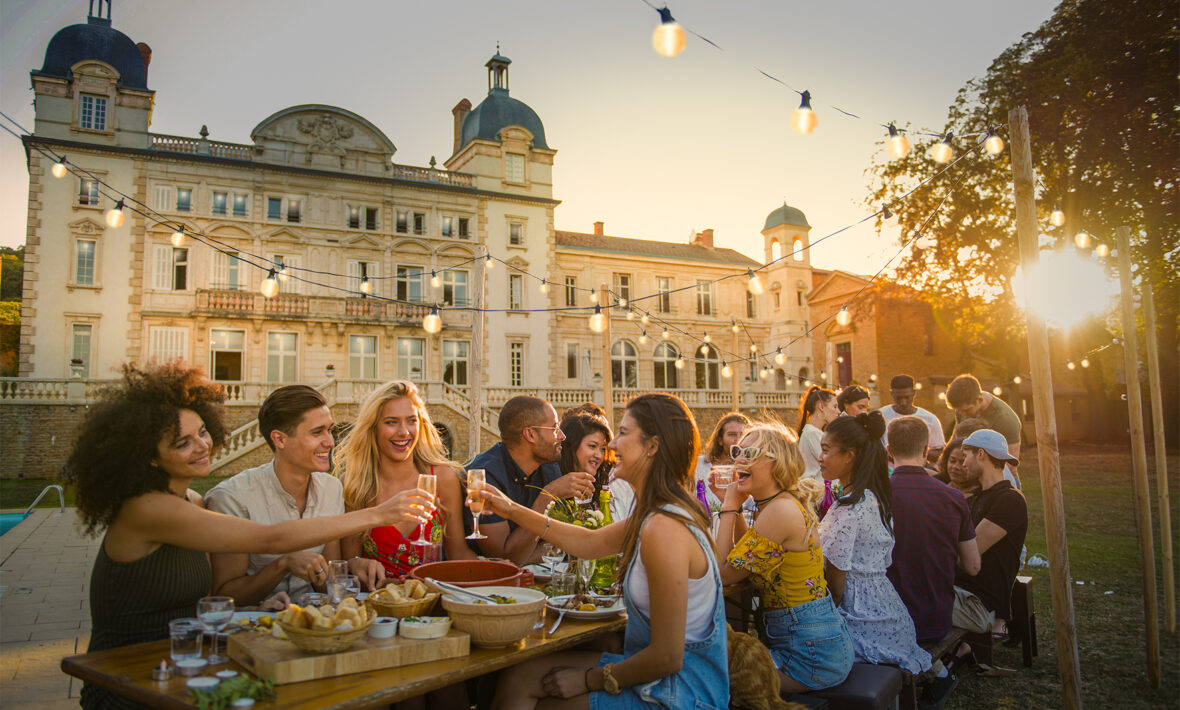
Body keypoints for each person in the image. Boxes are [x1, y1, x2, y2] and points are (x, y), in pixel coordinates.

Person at [68, 363, 430, 710]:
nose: (201, 446)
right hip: (127, 678)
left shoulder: (193, 501)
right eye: (183, 442)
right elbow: (269, 540)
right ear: (147, 457)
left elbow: (214, 599)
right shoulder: (146, 509)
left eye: (203, 433)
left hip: (187, 665)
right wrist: (379, 513)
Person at [481, 393, 729, 710]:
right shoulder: (656, 513)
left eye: (623, 433)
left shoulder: (664, 529)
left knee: (543, 700)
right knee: (519, 675)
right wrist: (510, 508)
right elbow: (587, 541)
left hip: (679, 694)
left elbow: (667, 657)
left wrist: (588, 680)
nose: (611, 446)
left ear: (652, 446)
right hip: (660, 676)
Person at [205, 386, 382, 603]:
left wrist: (355, 565)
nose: (330, 442)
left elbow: (328, 580)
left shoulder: (331, 488)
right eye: (317, 432)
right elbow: (225, 595)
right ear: (279, 439)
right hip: (254, 627)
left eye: (329, 430)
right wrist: (282, 565)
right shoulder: (232, 498)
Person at [714, 423, 853, 693]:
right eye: (738, 451)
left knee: (710, 678)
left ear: (778, 464)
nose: (740, 459)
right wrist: (737, 508)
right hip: (810, 644)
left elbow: (722, 575)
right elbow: (747, 554)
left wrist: (729, 507)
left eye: (751, 453)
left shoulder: (781, 511)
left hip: (811, 657)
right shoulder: (778, 505)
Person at [818, 412, 932, 675]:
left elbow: (835, 592)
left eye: (826, 450)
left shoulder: (850, 509)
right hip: (889, 615)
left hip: (865, 623)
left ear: (850, 455)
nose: (820, 457)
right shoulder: (871, 497)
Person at [335, 381, 476, 581]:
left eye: (411, 420)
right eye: (391, 422)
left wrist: (496, 566)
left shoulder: (443, 478)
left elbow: (458, 554)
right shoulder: (355, 484)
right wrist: (357, 564)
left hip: (433, 602)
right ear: (373, 428)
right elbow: (350, 559)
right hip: (378, 604)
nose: (404, 432)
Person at [467, 395, 595, 565]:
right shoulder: (484, 476)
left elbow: (560, 541)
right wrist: (547, 496)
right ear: (530, 435)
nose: (562, 435)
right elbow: (506, 559)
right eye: (554, 427)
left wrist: (533, 552)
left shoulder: (549, 467)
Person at [885, 417, 980, 645]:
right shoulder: (954, 498)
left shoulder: (876, 495)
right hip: (934, 618)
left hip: (886, 618)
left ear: (889, 451)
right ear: (926, 451)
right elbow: (973, 566)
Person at [952, 429, 1028, 636]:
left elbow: (969, 556)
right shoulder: (977, 498)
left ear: (981, 454)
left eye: (966, 455)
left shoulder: (1009, 500)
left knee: (909, 599)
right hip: (960, 593)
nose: (963, 463)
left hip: (977, 602)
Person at [559, 411, 634, 520]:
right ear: (571, 446)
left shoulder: (605, 485)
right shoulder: (552, 482)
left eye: (602, 449)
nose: (599, 455)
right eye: (592, 446)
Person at [945, 375, 1021, 463]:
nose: (963, 414)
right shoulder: (963, 406)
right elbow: (955, 439)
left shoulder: (1005, 419)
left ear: (980, 400)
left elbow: (1011, 463)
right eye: (959, 410)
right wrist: (941, 463)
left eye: (966, 410)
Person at [694, 412, 751, 521]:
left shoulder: (750, 472)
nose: (738, 440)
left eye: (743, 435)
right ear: (720, 440)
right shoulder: (698, 465)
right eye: (732, 434)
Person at [879, 374, 946, 461]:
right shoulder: (881, 415)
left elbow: (940, 453)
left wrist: (915, 452)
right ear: (892, 393)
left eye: (907, 397)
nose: (903, 402)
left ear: (914, 393)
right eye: (898, 398)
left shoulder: (930, 419)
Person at [797, 386, 838, 481]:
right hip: (816, 490)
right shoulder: (812, 434)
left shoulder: (813, 432)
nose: (838, 411)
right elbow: (832, 464)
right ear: (821, 406)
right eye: (835, 406)